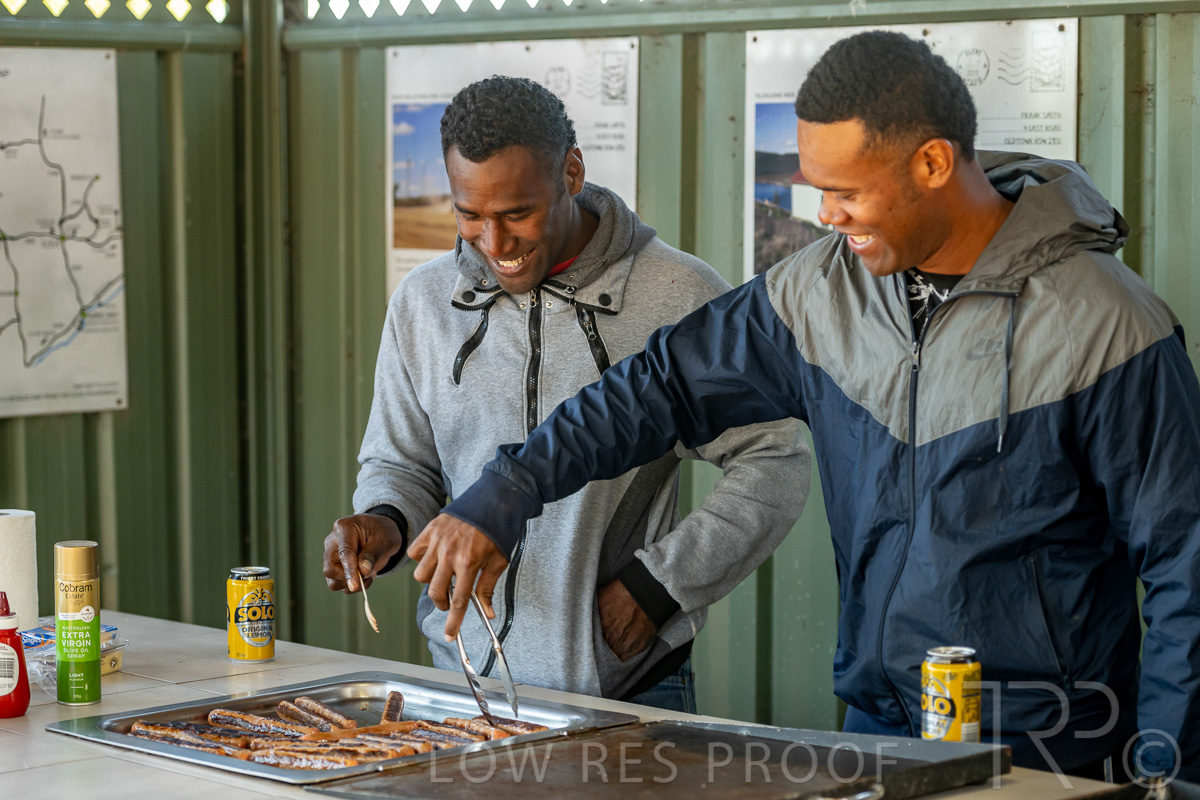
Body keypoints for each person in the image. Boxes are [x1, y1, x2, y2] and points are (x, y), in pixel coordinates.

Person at [407, 36, 1200, 781]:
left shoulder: (1107, 325)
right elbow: (655, 388)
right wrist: (508, 489)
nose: (825, 216)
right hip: (878, 726)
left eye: (846, 192)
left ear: (932, 163)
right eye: (819, 191)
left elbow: (1186, 567)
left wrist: (1167, 779)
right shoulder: (818, 292)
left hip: (1048, 746)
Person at [323, 75, 809, 712]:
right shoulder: (422, 302)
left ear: (571, 172)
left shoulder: (677, 294)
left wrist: (658, 588)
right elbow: (402, 461)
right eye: (470, 215)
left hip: (630, 689)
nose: (495, 244)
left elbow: (776, 457)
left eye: (516, 214)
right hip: (461, 687)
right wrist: (384, 518)